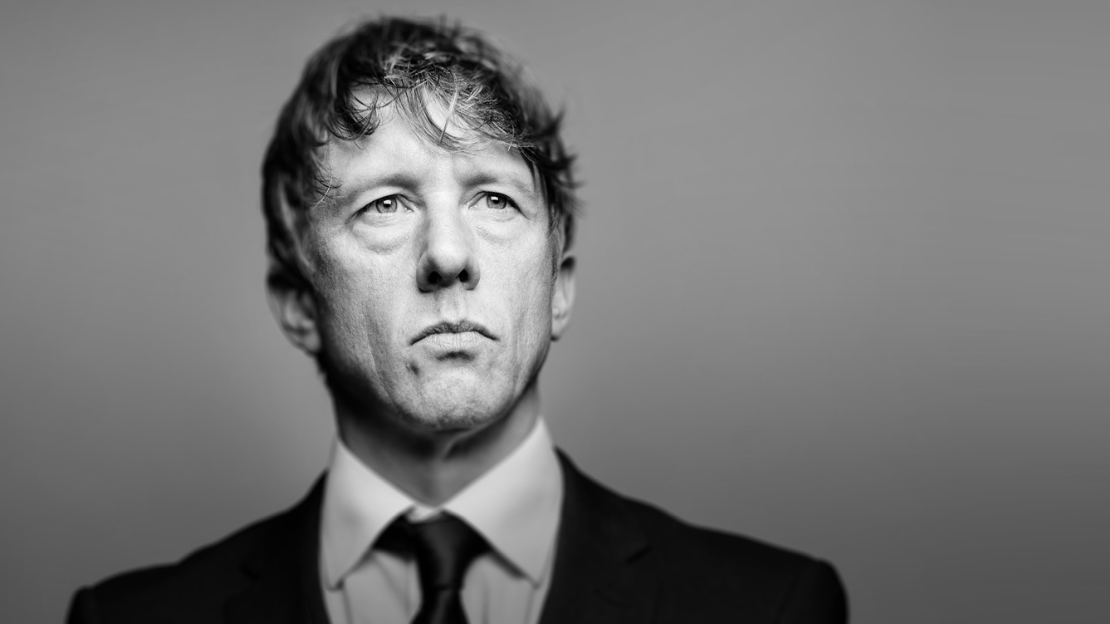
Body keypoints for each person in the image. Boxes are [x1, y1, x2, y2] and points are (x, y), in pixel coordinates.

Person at [67, 16, 848, 624]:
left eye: (495, 198)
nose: (448, 253)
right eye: (385, 204)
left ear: (559, 290)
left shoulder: (773, 609)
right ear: (299, 304)